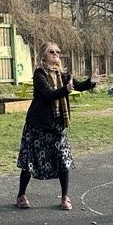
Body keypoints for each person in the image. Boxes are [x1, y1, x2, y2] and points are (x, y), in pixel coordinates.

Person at [16, 42, 101, 210]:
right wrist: (66, 90)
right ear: (43, 55)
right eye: (52, 52)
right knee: (30, 162)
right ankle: (21, 195)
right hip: (39, 125)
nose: (56, 54)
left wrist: (90, 82)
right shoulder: (39, 74)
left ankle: (64, 197)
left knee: (63, 160)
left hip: (57, 124)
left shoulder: (63, 73)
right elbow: (48, 94)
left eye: (58, 51)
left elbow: (76, 85)